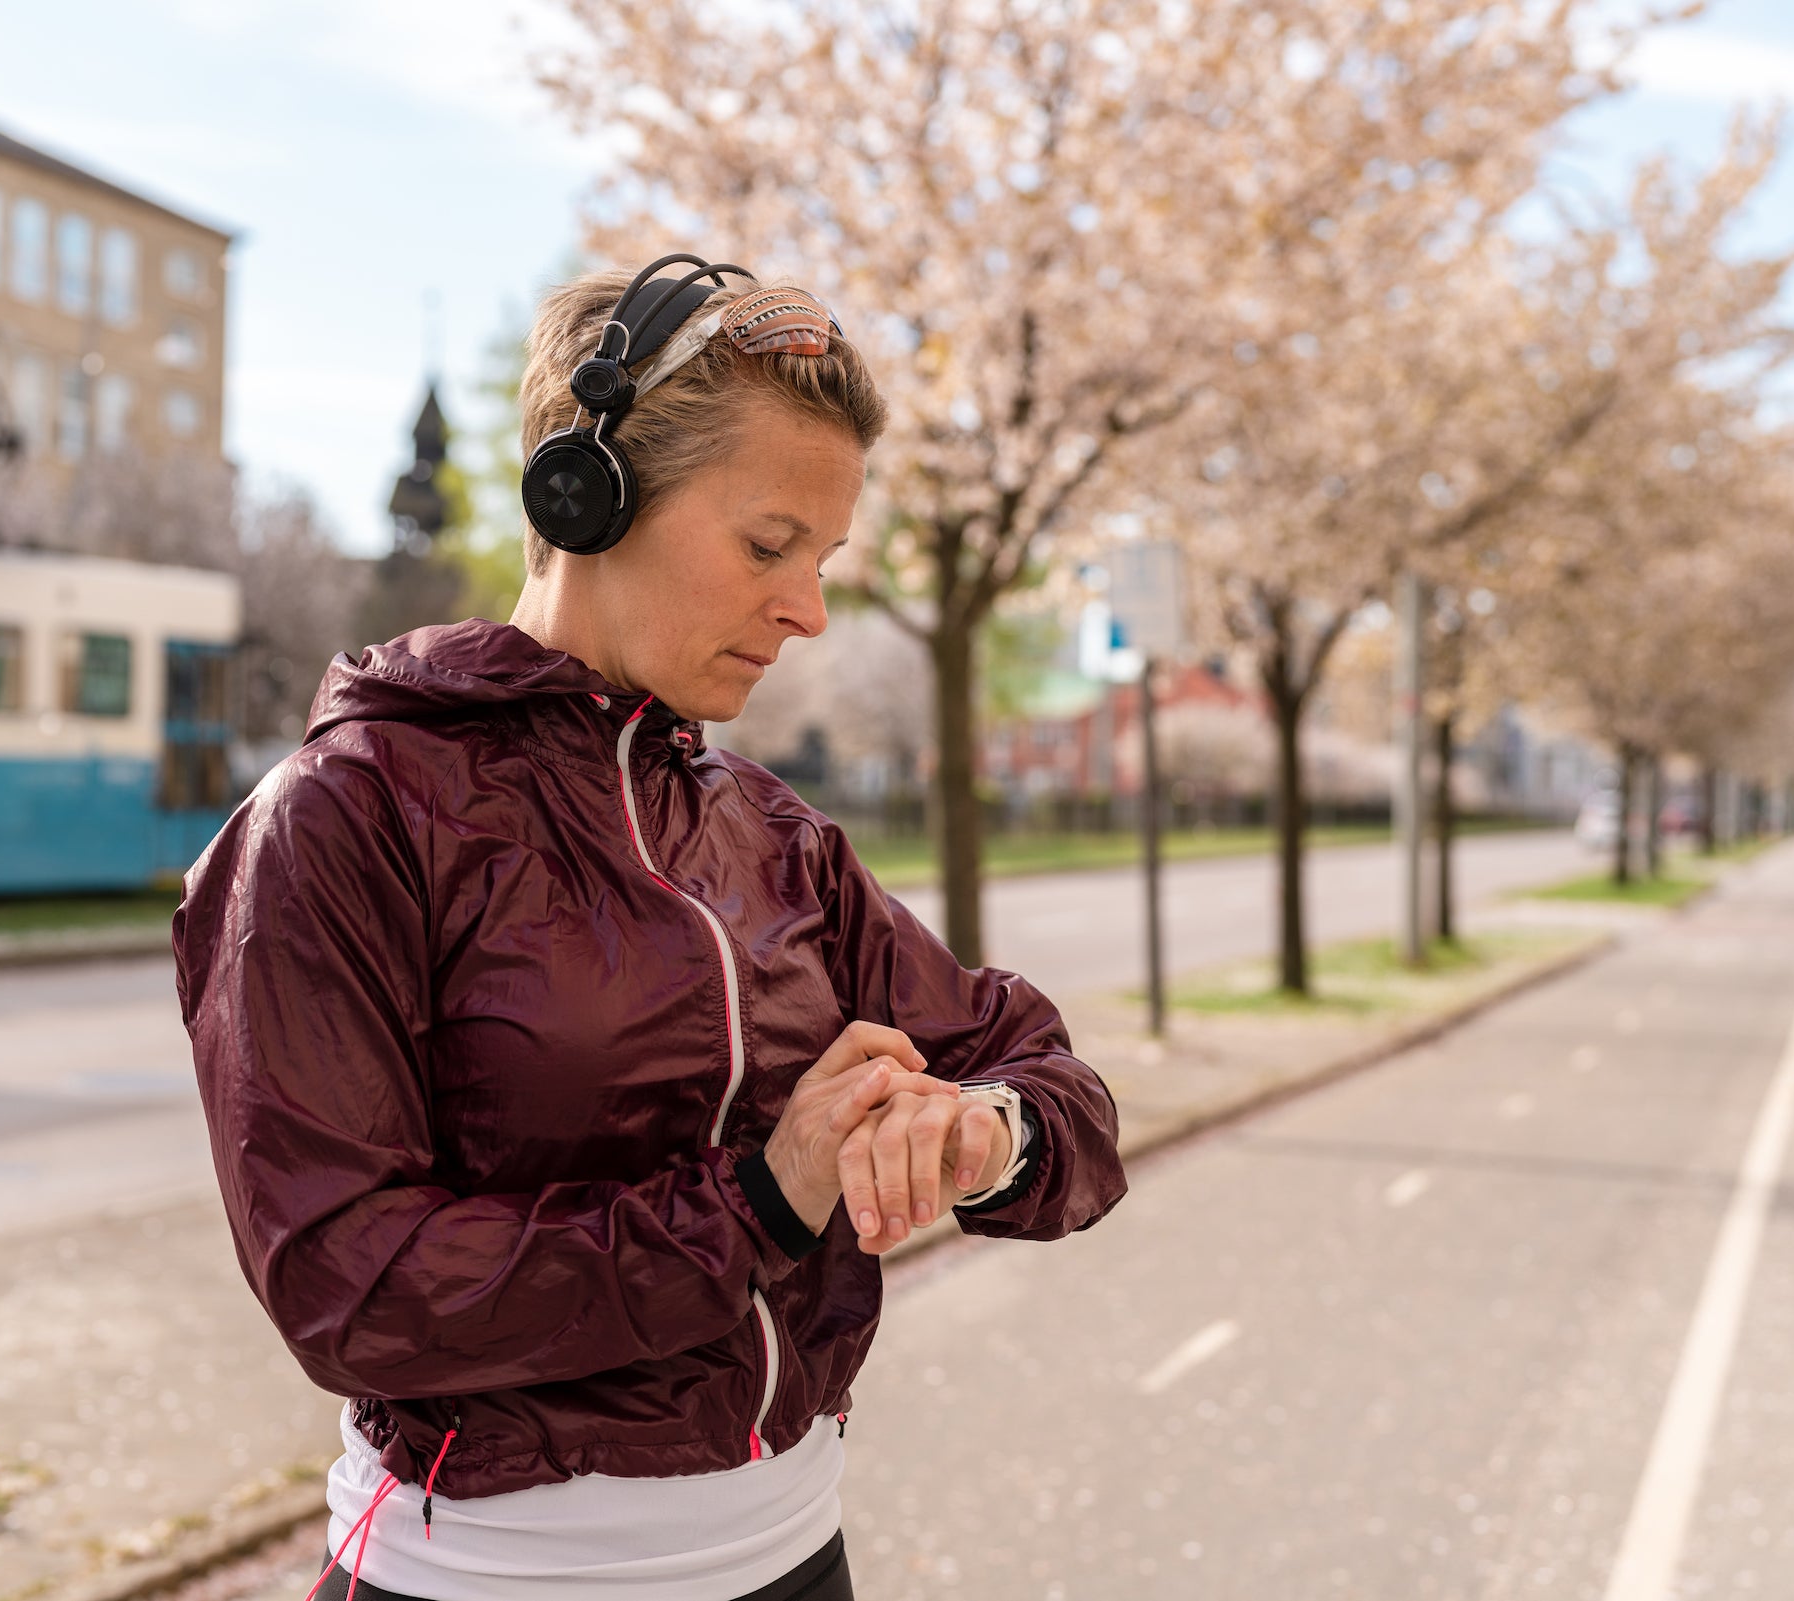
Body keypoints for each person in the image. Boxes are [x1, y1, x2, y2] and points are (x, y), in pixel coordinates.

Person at [174, 256, 1127, 1601]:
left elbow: (1054, 1086)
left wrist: (983, 1133)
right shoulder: (343, 820)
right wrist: (759, 1200)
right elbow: (351, 1284)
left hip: (796, 1560)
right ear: (587, 495)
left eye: (825, 557)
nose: (810, 607)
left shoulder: (777, 835)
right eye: (767, 543)